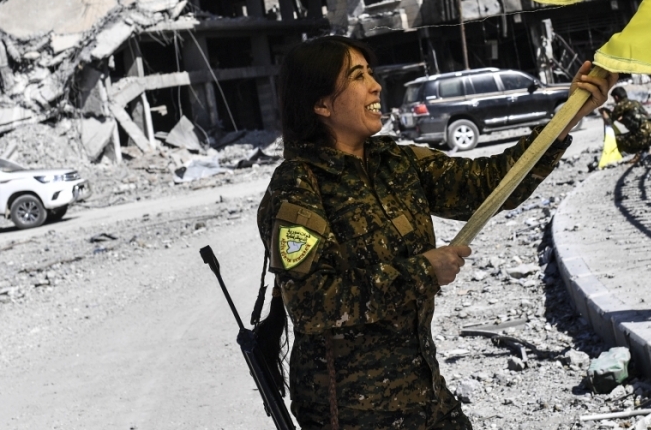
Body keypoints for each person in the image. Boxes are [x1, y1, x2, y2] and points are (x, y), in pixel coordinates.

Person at [256, 36, 610, 429]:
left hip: (423, 394)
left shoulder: (395, 161)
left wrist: (569, 114)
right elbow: (310, 305)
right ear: (321, 104)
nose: (375, 85)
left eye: (371, 72)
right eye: (357, 76)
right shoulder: (299, 185)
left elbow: (490, 185)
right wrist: (423, 271)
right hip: (353, 414)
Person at [602, 87, 651, 160]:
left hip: (641, 136)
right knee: (636, 133)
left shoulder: (620, 105)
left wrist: (604, 112)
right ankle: (646, 151)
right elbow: (644, 116)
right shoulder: (635, 102)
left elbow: (609, 120)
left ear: (616, 97)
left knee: (615, 139)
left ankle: (615, 158)